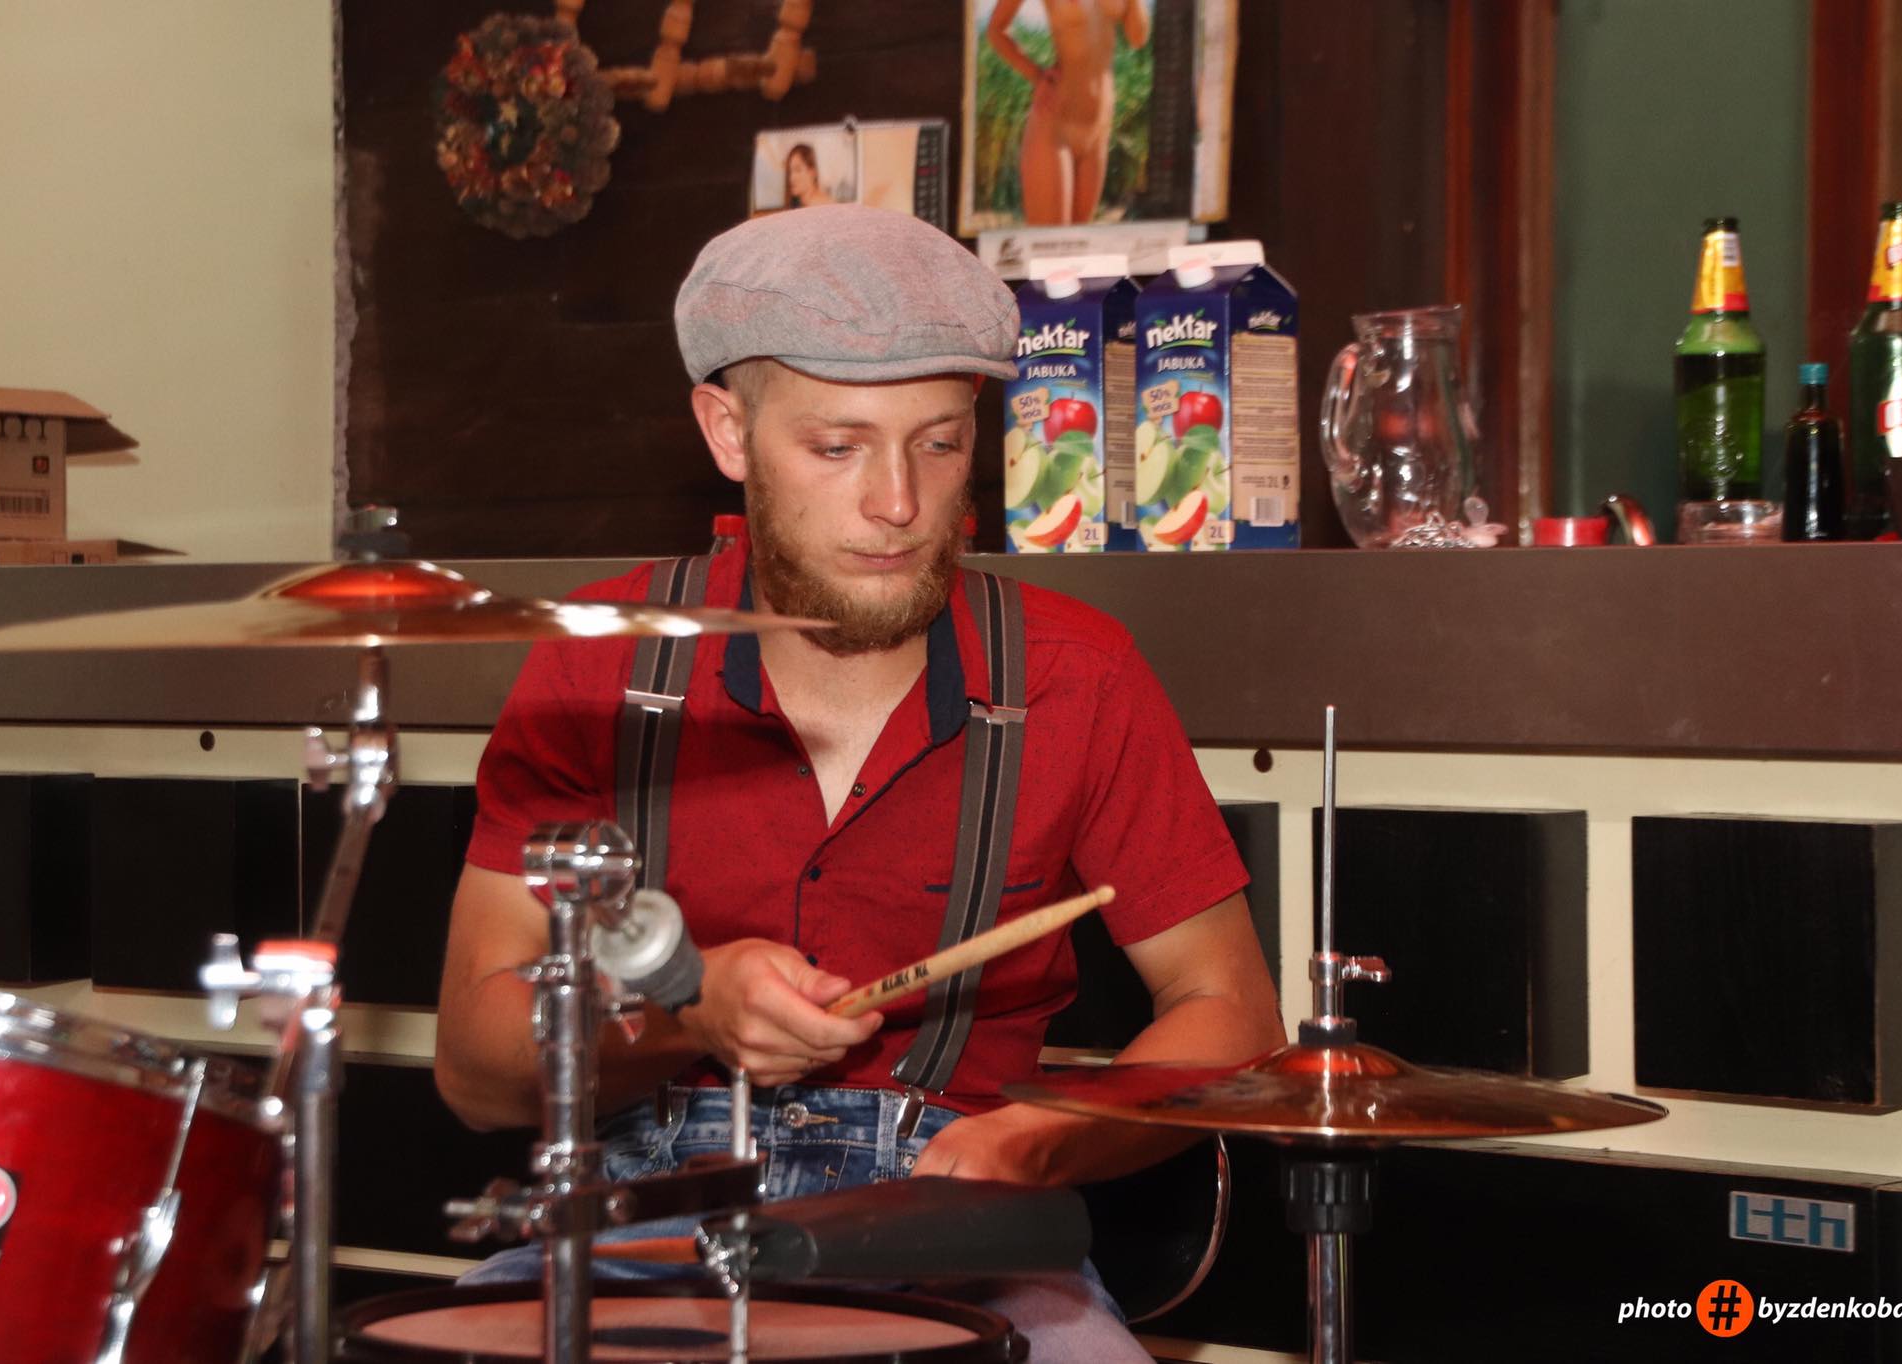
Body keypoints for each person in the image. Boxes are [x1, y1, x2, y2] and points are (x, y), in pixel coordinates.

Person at [433, 204, 1284, 1362]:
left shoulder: (1075, 674)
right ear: (727, 431)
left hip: (962, 1223)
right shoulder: (598, 666)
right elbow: (474, 1067)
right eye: (836, 447)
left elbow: (1228, 1009)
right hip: (646, 1221)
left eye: (937, 442)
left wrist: (1040, 1139)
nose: (897, 502)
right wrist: (684, 1010)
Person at [986, 0, 1149, 226]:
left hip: (1098, 129)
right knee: (1050, 244)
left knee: (1078, 243)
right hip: (1056, 124)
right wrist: (1037, 76)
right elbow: (996, 30)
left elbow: (1138, 38)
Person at [784, 142, 835, 208]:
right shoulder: (803, 205)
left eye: (798, 170)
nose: (791, 178)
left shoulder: (821, 205)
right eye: (789, 171)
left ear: (812, 172)